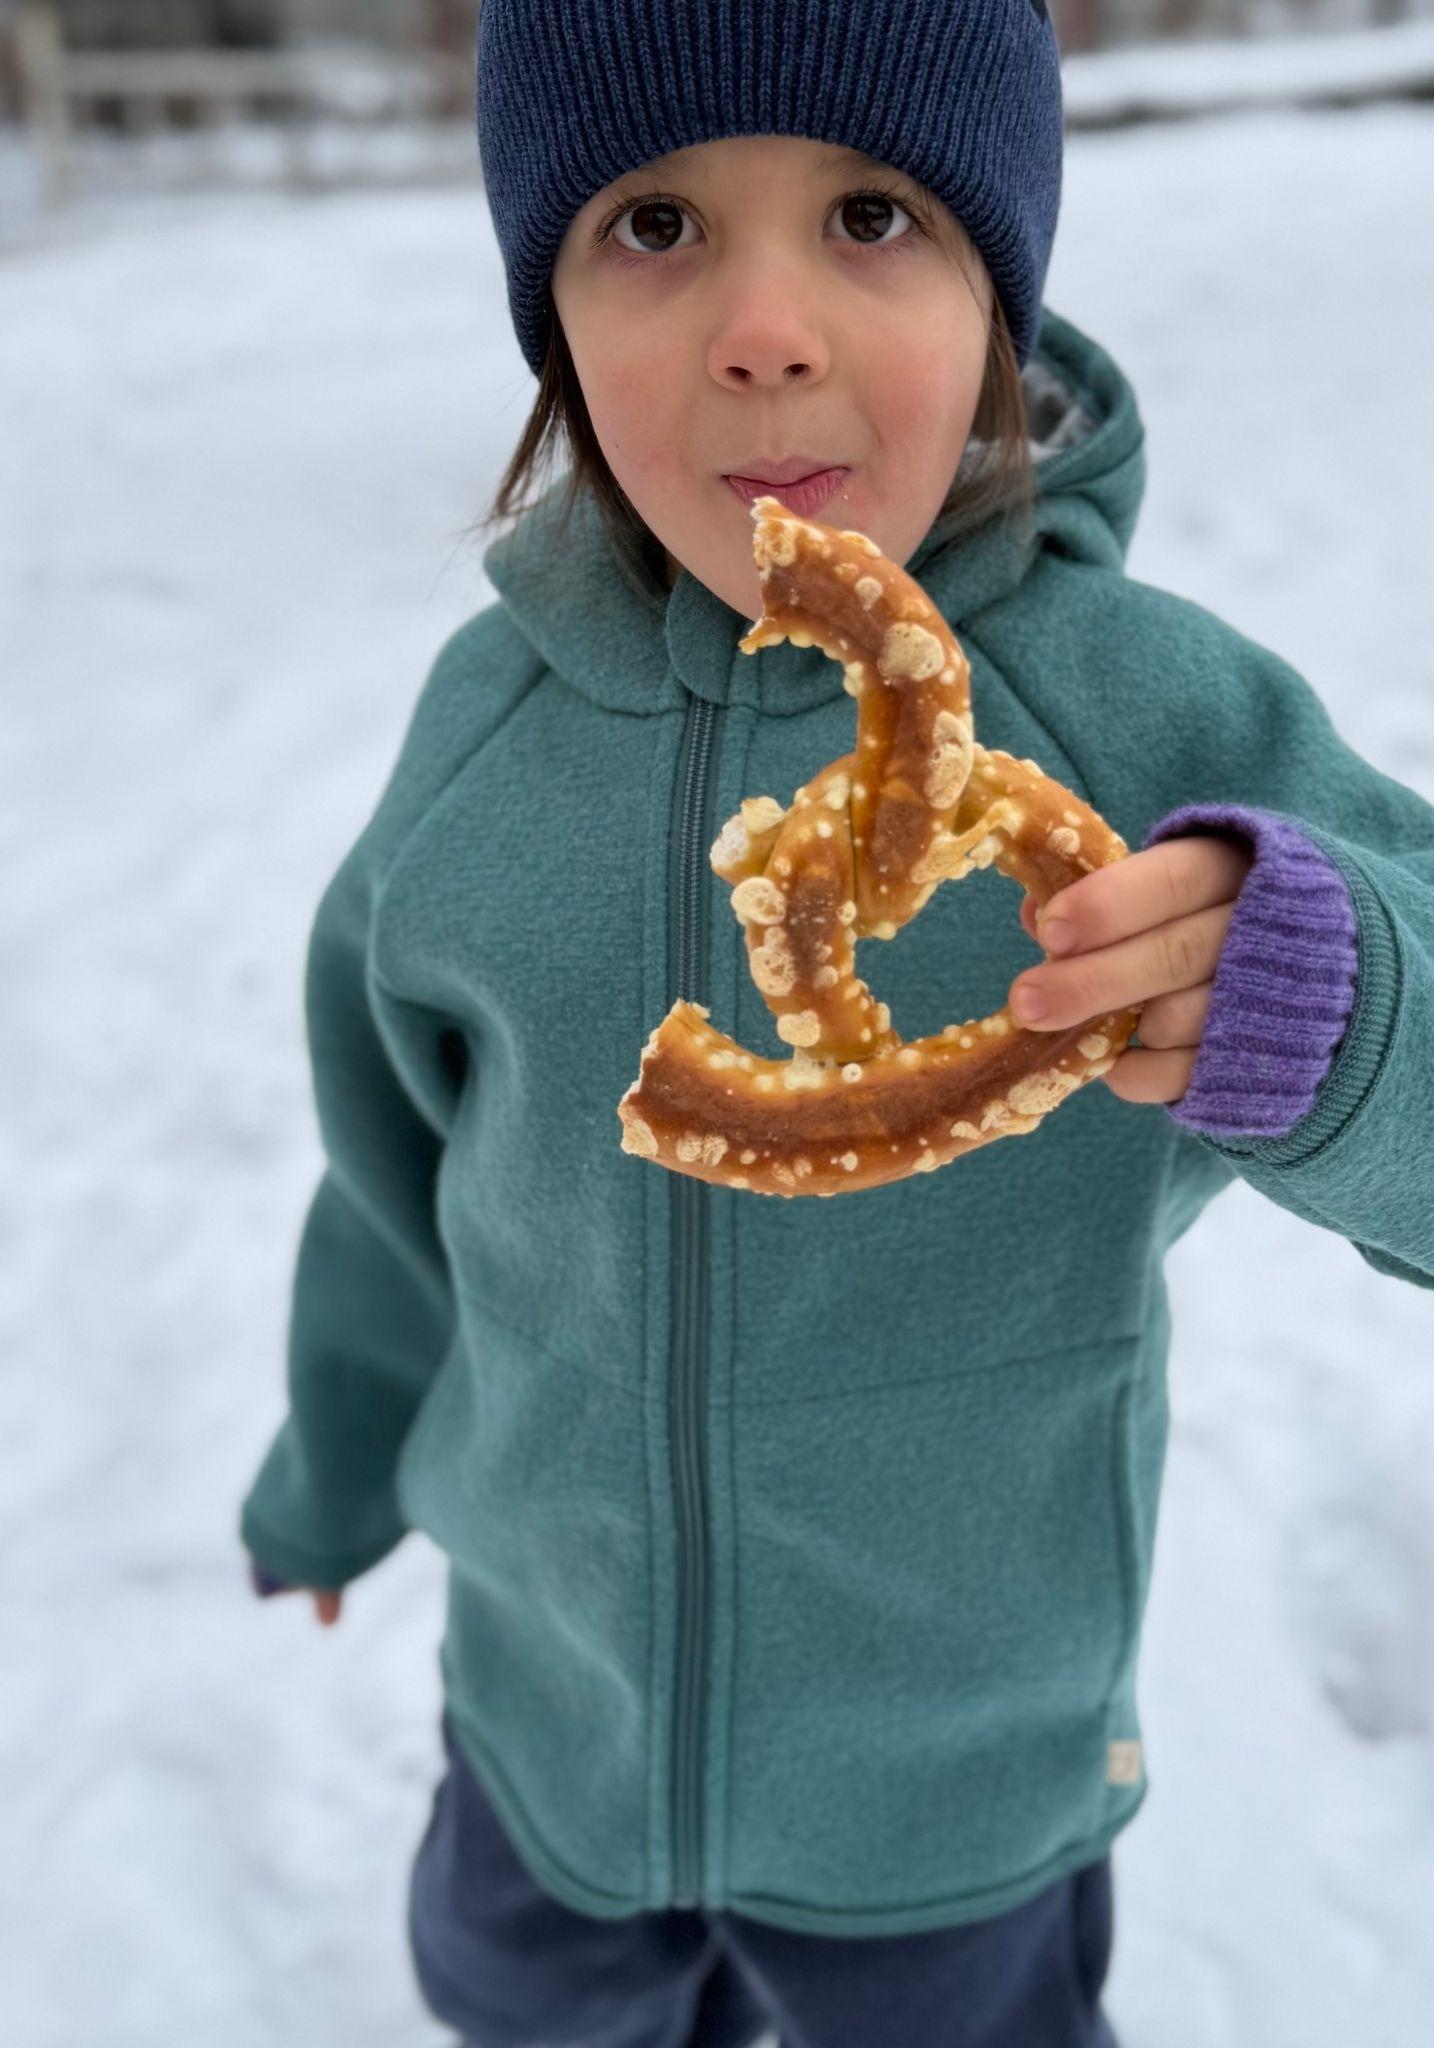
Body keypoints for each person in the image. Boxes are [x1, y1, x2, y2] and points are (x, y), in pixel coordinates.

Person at [239, 3, 1434, 2044]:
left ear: (997, 281)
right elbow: (390, 1177)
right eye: (655, 225)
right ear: (547, 312)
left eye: (871, 213)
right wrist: (336, 1464)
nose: (764, 326)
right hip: (552, 1724)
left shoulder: (1138, 726)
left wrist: (1325, 995)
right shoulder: (484, 743)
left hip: (954, 1774)